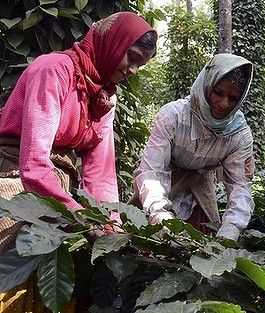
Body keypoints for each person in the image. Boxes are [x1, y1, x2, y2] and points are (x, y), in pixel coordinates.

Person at [0, 12, 157, 312]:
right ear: (112, 44)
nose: (134, 70)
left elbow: (101, 176)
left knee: (85, 258)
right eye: (133, 58)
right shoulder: (54, 70)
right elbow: (34, 163)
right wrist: (80, 217)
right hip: (13, 172)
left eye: (141, 65)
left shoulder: (104, 99)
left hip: (55, 185)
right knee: (11, 234)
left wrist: (110, 227)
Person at [132, 53, 255, 241]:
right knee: (144, 241)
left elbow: (239, 186)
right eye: (218, 93)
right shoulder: (173, 116)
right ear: (207, 86)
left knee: (202, 246)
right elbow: (152, 170)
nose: (224, 103)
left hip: (201, 187)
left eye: (233, 98)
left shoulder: (238, 134)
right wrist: (158, 213)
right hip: (164, 181)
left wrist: (231, 230)